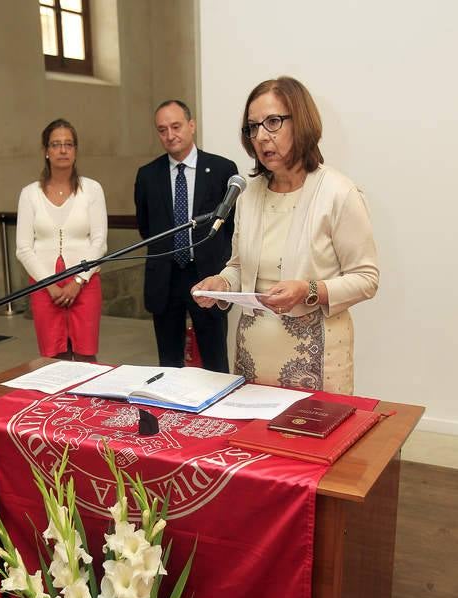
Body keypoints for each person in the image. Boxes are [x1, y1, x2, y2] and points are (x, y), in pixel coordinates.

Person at [193, 77, 379, 394]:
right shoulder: (249, 195)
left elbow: (366, 278)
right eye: (253, 127)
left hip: (316, 362)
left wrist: (308, 289)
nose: (262, 137)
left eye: (273, 122)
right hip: (252, 359)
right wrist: (222, 283)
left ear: (302, 122)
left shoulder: (337, 192)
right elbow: (239, 267)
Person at [134, 100, 238, 372]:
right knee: (168, 365)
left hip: (206, 275)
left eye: (176, 126)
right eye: (162, 129)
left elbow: (231, 226)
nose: (170, 135)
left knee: (215, 360)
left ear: (191, 126)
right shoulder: (147, 176)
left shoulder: (221, 170)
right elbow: (146, 227)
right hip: (165, 278)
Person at [16, 118, 107, 361]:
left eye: (69, 144)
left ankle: (88, 400)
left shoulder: (92, 189)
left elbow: (99, 242)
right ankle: (59, 401)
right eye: (56, 144)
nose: (63, 150)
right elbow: (24, 248)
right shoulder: (29, 194)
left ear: (76, 150)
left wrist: (78, 280)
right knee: (53, 358)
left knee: (86, 356)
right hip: (44, 285)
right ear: (46, 151)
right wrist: (50, 285)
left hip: (85, 282)